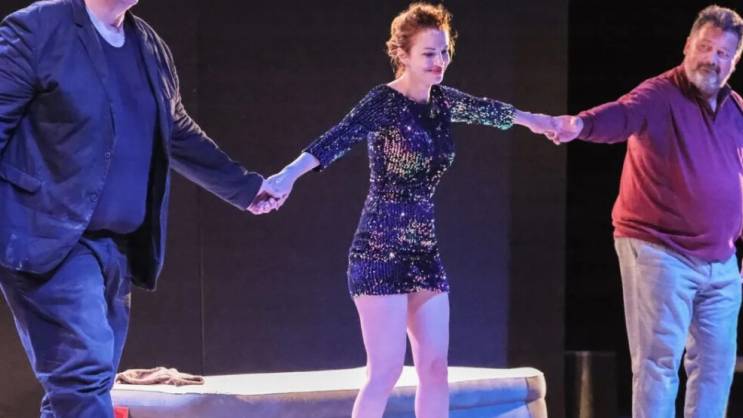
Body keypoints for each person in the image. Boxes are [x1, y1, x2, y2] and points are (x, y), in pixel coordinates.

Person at [255, 3, 556, 417]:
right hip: (378, 251)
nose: (439, 62)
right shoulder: (384, 101)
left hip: (423, 253)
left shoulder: (442, 102)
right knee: (386, 371)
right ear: (403, 54)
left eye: (444, 52)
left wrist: (540, 121)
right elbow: (337, 138)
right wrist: (286, 176)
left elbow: (489, 110)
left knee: (435, 368)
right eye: (428, 54)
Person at [0, 0, 279, 417]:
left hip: (118, 247)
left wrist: (245, 188)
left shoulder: (148, 44)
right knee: (84, 375)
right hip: (48, 238)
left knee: (79, 390)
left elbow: (176, 131)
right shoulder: (38, 28)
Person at [548, 5, 743, 417]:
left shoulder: (736, 109)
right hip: (660, 249)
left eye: (723, 53)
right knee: (658, 366)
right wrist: (580, 125)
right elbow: (622, 114)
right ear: (687, 46)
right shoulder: (660, 94)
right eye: (705, 47)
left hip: (721, 262)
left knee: (716, 369)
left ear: (734, 62)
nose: (711, 59)